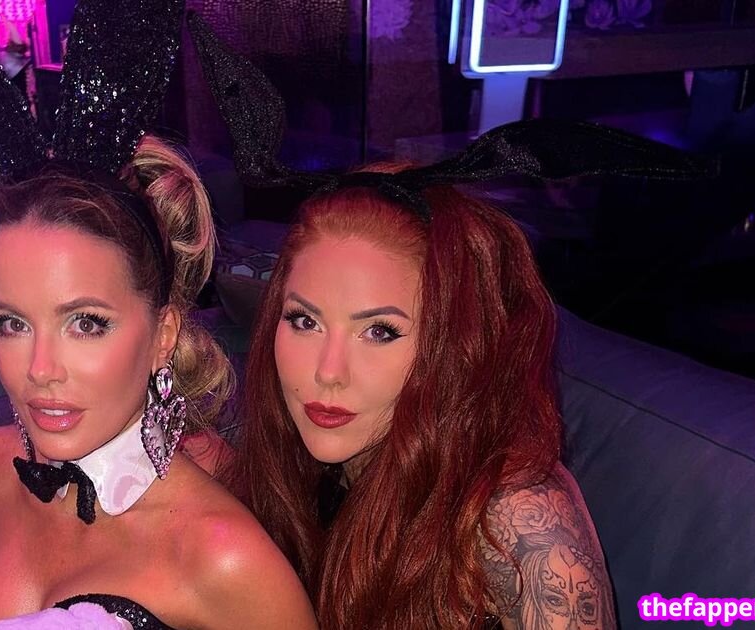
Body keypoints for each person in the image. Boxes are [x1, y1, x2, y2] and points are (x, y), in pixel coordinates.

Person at [189, 14, 709, 628]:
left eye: (380, 331)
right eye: (305, 321)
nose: (327, 372)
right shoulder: (292, 462)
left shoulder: (520, 524)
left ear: (453, 344)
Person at [0, 3, 316, 628]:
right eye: (12, 323)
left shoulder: (225, 558)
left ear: (163, 336)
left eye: (87, 323)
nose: (40, 369)